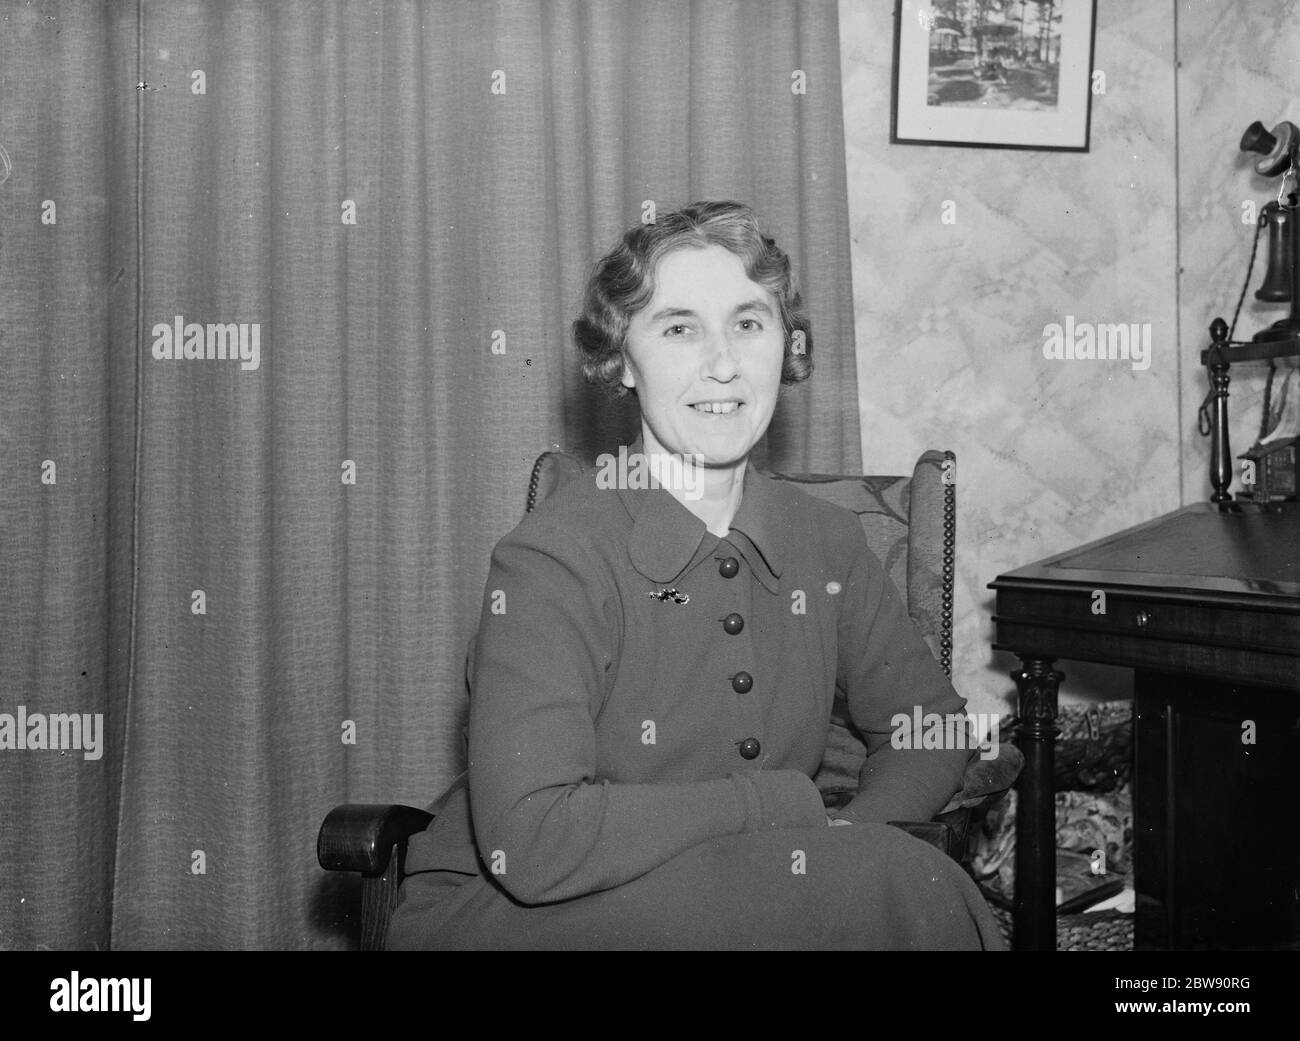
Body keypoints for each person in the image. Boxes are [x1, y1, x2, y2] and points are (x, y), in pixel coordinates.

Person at [388, 201, 1006, 950]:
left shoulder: (825, 542)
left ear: (788, 347)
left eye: (749, 323)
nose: (724, 362)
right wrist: (781, 807)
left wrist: (851, 830)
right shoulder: (550, 560)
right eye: (679, 327)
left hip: (748, 889)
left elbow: (929, 723)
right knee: (901, 885)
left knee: (884, 877)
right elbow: (535, 841)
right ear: (619, 359)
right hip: (530, 914)